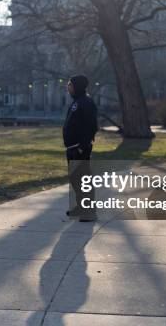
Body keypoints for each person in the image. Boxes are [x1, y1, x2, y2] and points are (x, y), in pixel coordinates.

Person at [62, 75, 98, 222]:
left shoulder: (86, 103)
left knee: (83, 179)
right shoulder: (77, 102)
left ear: (77, 86)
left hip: (80, 148)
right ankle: (81, 207)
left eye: (70, 85)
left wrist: (83, 146)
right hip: (72, 147)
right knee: (75, 178)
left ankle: (89, 212)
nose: (67, 87)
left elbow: (91, 126)